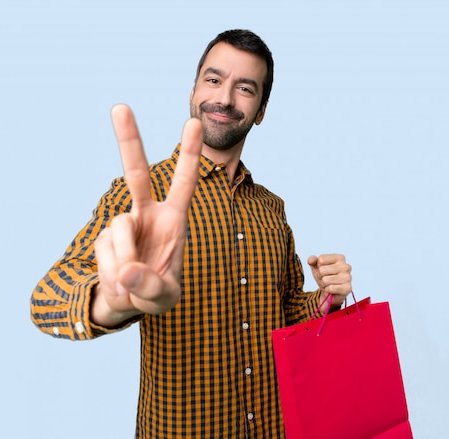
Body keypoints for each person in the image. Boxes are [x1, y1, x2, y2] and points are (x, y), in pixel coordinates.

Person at [30, 29, 352, 439]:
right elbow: (47, 298)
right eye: (214, 80)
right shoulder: (143, 194)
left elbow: (284, 314)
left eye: (245, 88)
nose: (225, 98)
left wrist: (326, 301)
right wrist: (109, 303)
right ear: (194, 89)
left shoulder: (272, 209)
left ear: (262, 110)